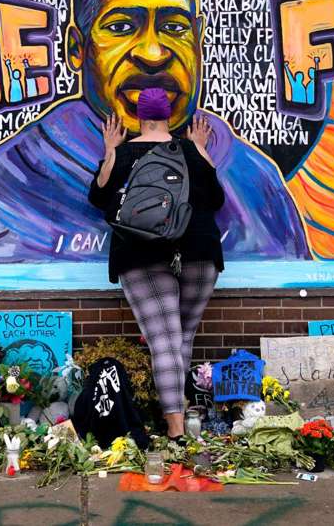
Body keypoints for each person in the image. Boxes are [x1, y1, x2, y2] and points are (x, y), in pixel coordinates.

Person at [0, 0, 307, 264]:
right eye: (120, 26)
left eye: (174, 27)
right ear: (76, 49)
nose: (153, 53)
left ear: (199, 42)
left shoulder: (255, 184)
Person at [88, 87, 223, 438]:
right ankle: (184, 420)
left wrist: (110, 150)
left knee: (164, 341)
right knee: (181, 339)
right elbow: (216, 198)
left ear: (138, 116)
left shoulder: (123, 153)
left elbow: (99, 197)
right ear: (169, 115)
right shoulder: (190, 151)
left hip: (141, 252)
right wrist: (200, 148)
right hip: (199, 250)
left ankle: (176, 430)